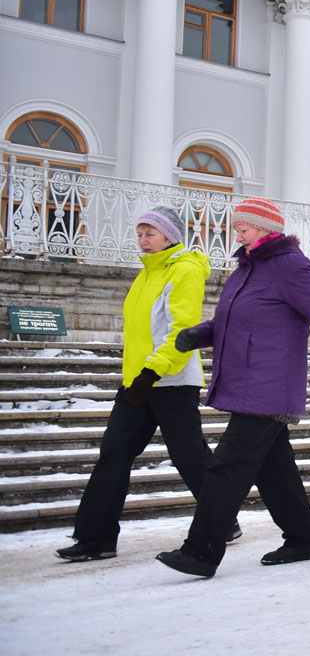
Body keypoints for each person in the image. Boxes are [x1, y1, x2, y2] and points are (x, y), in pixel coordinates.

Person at [157, 198, 310, 577]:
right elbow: (233, 320)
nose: (237, 232)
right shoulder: (246, 269)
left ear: (265, 228)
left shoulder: (289, 265)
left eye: (244, 226)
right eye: (237, 226)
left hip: (271, 385)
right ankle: (304, 537)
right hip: (248, 382)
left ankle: (200, 552)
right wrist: (197, 335)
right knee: (274, 470)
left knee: (226, 467)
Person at [56, 207, 239, 561]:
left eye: (150, 234)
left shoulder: (185, 270)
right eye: (140, 233)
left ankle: (222, 518)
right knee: (114, 452)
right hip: (137, 382)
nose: (143, 241)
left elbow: (181, 329)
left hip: (171, 380)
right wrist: (136, 377)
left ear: (170, 236)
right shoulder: (146, 273)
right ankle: (96, 538)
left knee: (188, 455)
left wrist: (153, 372)